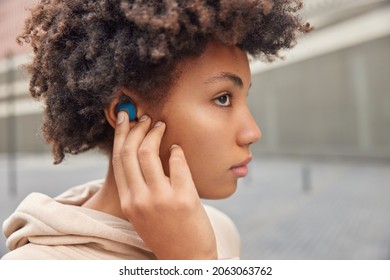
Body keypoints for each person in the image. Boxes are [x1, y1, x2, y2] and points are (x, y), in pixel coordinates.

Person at [2, 0, 311, 259]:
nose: (252, 132)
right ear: (127, 112)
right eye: (222, 98)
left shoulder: (218, 229)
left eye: (245, 98)